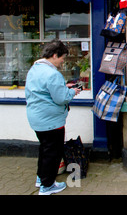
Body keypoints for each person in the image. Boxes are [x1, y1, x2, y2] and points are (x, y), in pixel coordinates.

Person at [25, 39, 81, 195]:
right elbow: (61, 98)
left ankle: (40, 178)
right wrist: (72, 92)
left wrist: (64, 87)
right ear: (55, 55)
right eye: (62, 58)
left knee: (44, 149)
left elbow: (44, 90)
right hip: (51, 121)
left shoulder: (35, 69)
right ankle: (47, 186)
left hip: (37, 118)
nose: (63, 61)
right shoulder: (52, 73)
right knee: (53, 154)